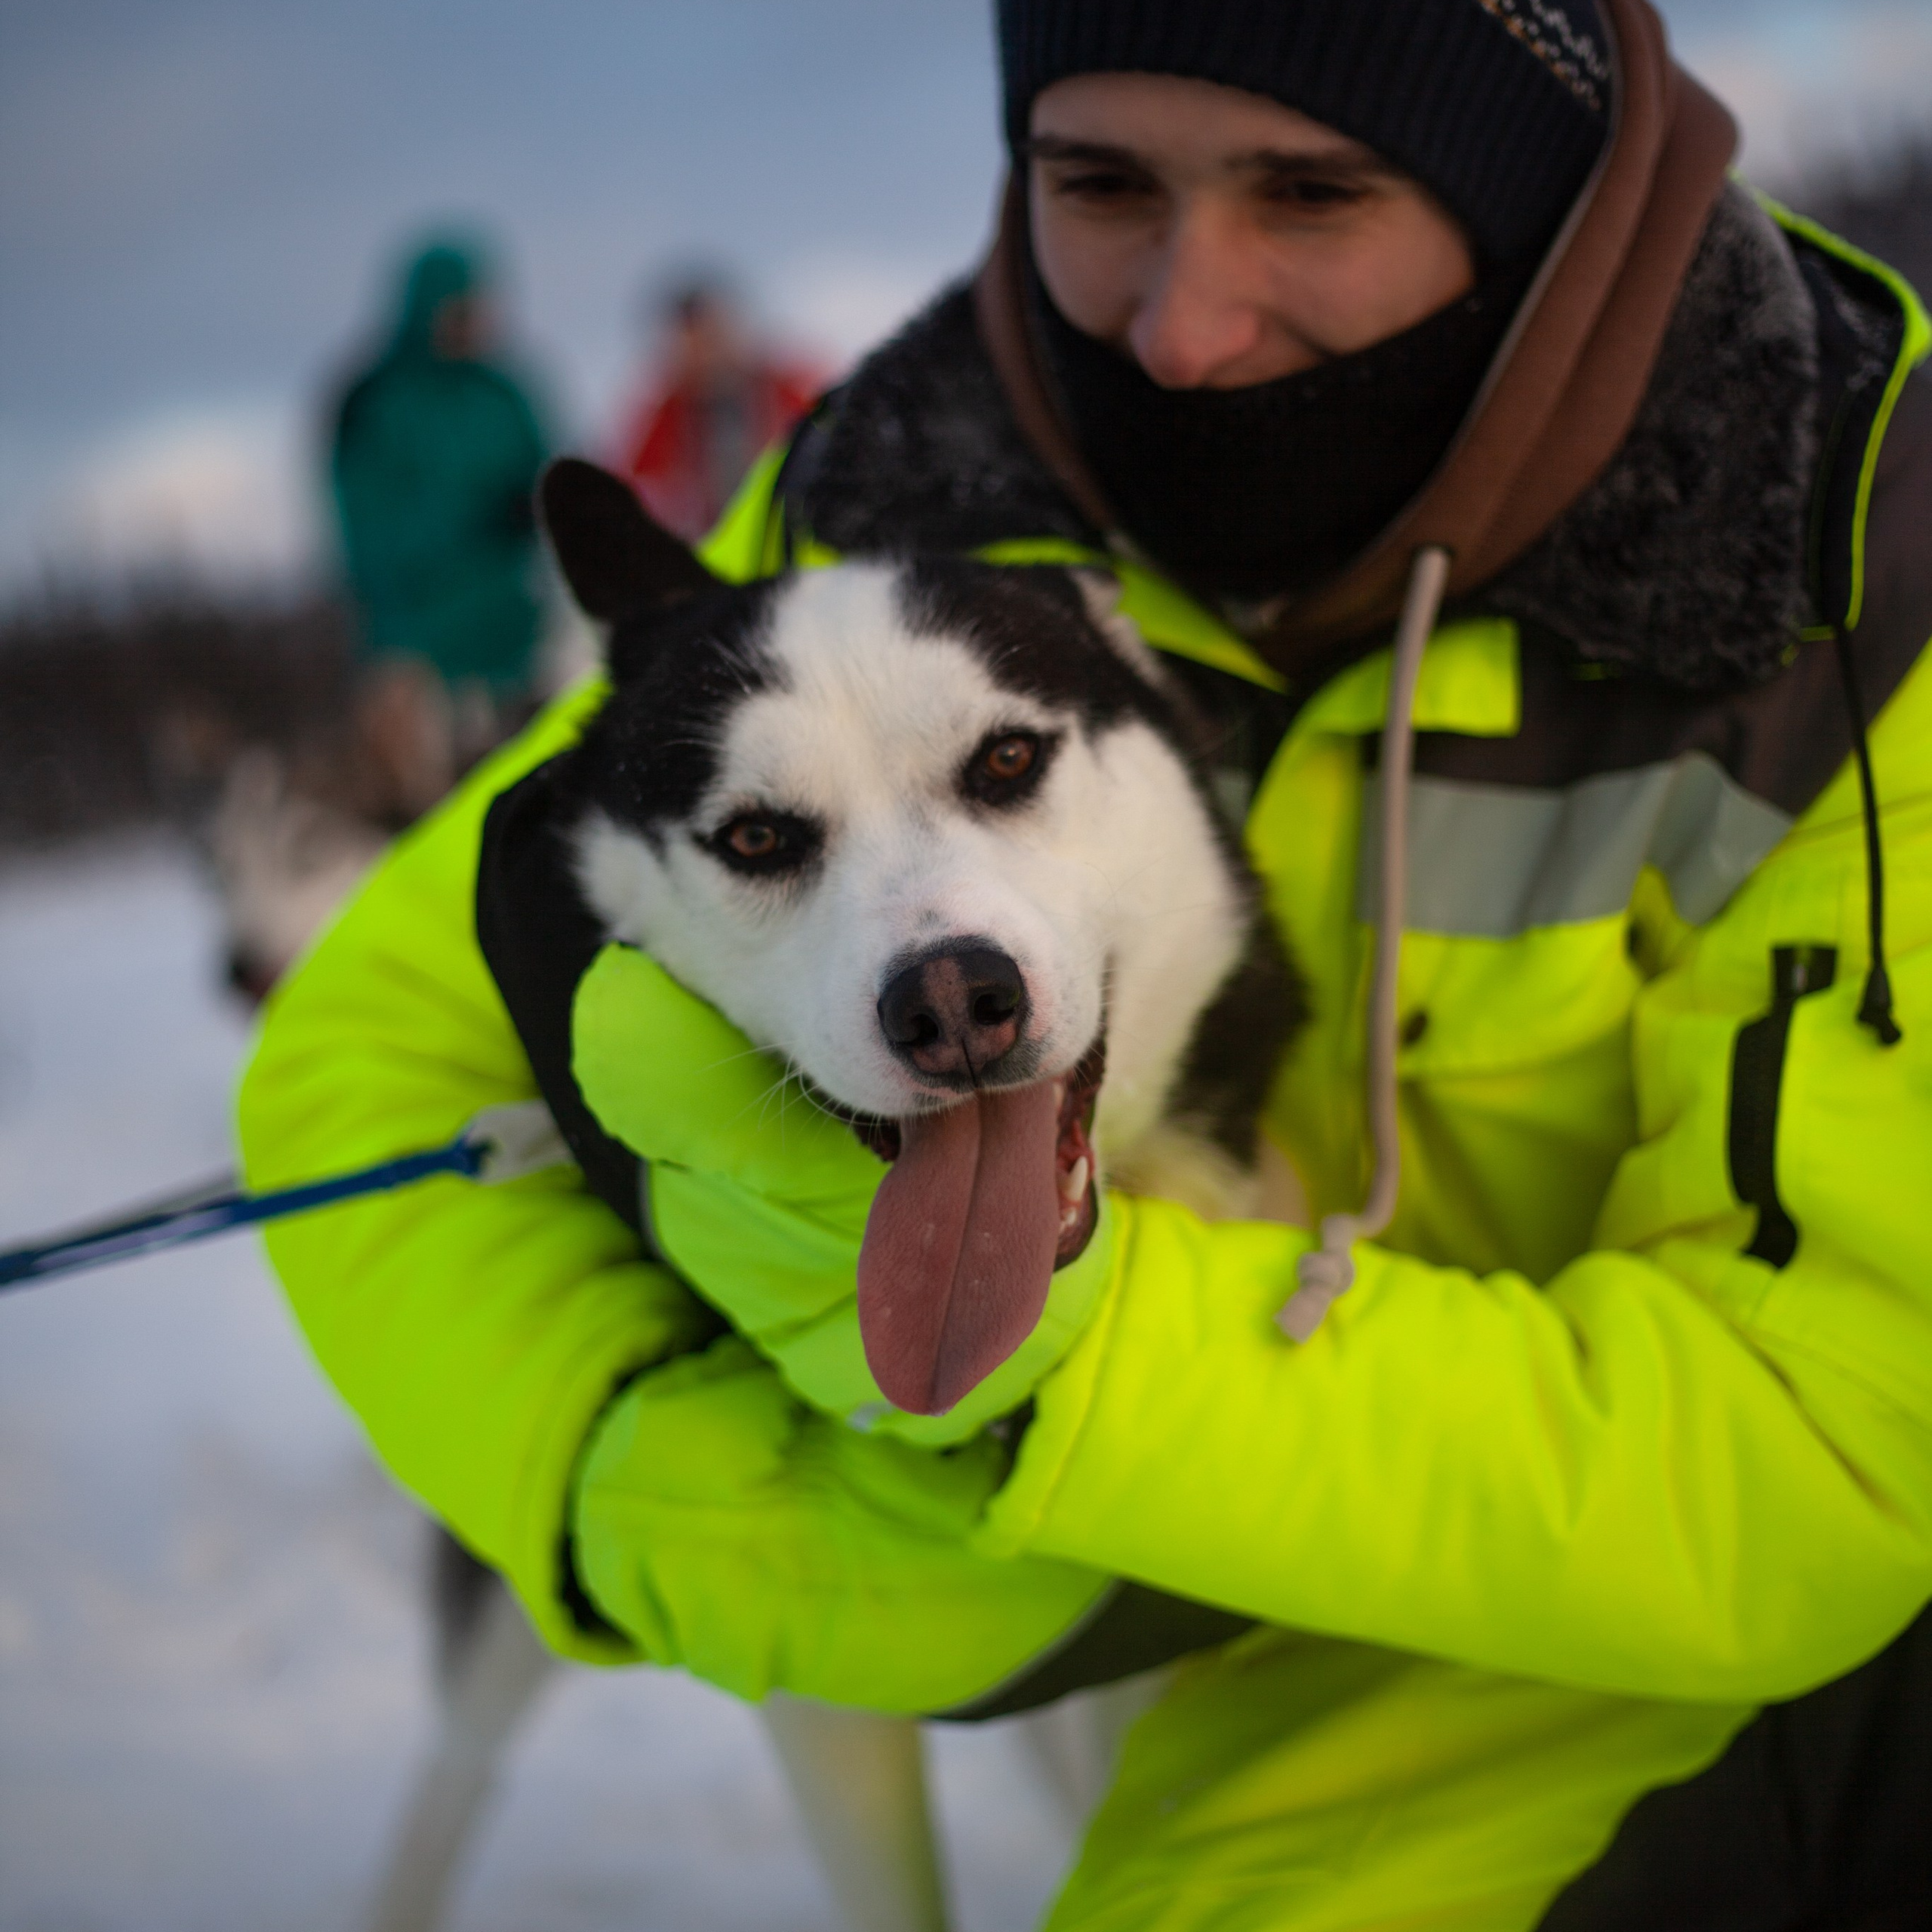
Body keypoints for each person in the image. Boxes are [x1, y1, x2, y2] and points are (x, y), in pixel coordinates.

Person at [242, 1, 1932, 1924]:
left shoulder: (1858, 581)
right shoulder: (879, 516)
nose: (1184, 323)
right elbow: (355, 1065)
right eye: (1100, 183)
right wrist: (690, 1493)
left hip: (1712, 1653)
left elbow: (1827, 1454)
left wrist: (1079, 1378)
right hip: (1254, 1659)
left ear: (1530, 188)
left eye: (1310, 191)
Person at [328, 235, 552, 818]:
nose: (472, 323)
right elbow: (365, 534)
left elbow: (552, 482)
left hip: (516, 629)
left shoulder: (504, 392)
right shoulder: (376, 404)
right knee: (432, 805)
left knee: (536, 789)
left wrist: (533, 507)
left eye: (478, 308)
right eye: (458, 310)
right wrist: (393, 645)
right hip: (422, 642)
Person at [614, 272, 822, 540]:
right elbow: (639, 493)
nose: (706, 354)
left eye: (712, 337)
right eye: (693, 344)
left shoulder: (789, 393)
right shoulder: (664, 420)